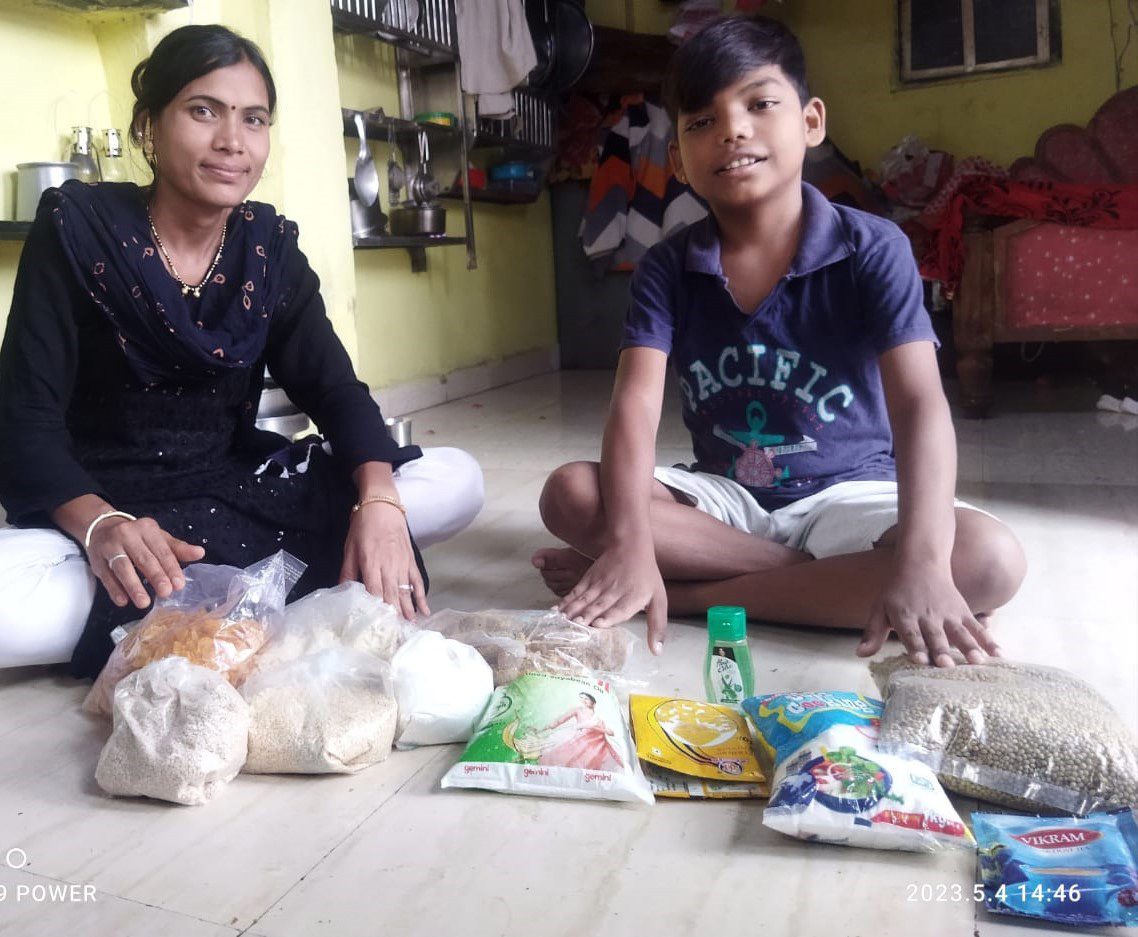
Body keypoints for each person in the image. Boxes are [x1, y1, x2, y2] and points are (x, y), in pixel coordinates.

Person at [532, 15, 1025, 668]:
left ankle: (689, 595)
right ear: (678, 159)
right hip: (726, 501)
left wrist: (926, 561)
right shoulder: (666, 267)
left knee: (989, 559)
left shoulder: (872, 248)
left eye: (760, 104)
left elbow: (919, 406)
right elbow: (635, 407)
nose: (733, 130)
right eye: (702, 121)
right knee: (571, 493)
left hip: (851, 494)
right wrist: (628, 541)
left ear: (811, 122)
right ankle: (819, 580)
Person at [0, 25, 483, 676]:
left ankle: (213, 594)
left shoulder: (267, 249)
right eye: (204, 111)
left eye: (253, 119)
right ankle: (236, 586)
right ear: (148, 126)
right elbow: (24, 420)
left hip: (233, 494)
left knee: (456, 480)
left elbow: (335, 390)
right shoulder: (79, 231)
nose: (233, 141)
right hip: (108, 507)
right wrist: (100, 526)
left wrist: (378, 502)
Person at [537, 692, 623, 771]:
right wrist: (544, 728)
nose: (584, 700)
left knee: (594, 765)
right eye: (582, 698)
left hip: (597, 746)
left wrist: (606, 731)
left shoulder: (599, 718)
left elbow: (607, 731)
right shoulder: (578, 710)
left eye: (586, 699)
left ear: (593, 702)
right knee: (570, 760)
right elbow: (560, 720)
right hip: (582, 741)